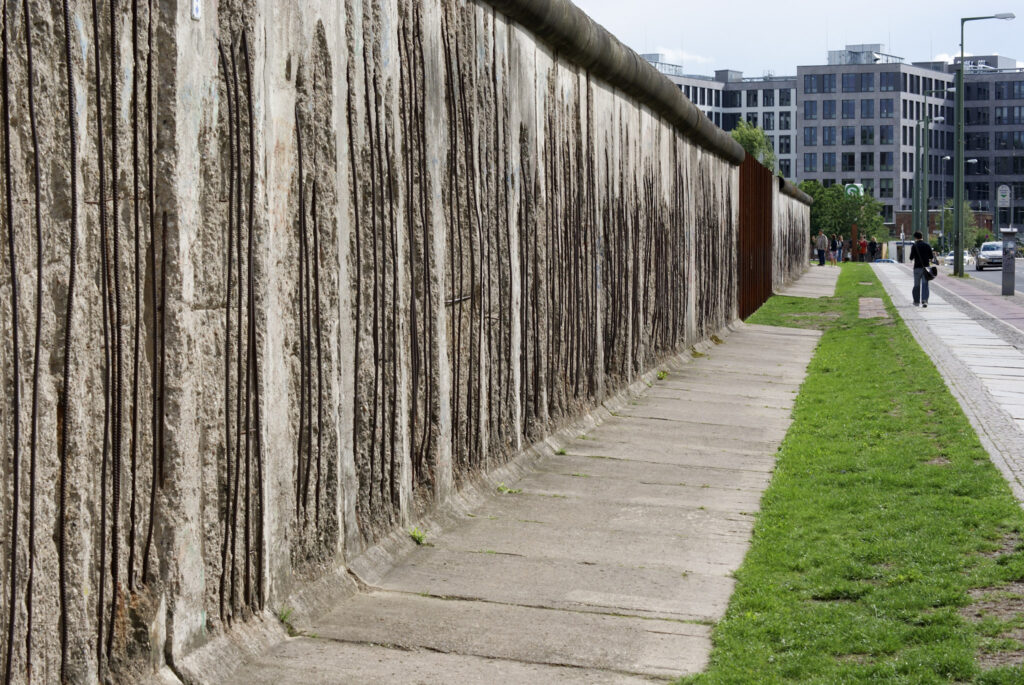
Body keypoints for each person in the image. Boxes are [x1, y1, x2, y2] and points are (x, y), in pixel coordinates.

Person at [909, 231, 935, 307]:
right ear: (922, 236)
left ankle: (916, 301)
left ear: (915, 237)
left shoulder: (914, 246)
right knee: (925, 284)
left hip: (917, 268)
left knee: (916, 285)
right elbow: (931, 257)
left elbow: (911, 257)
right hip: (926, 268)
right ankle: (924, 300)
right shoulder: (927, 245)